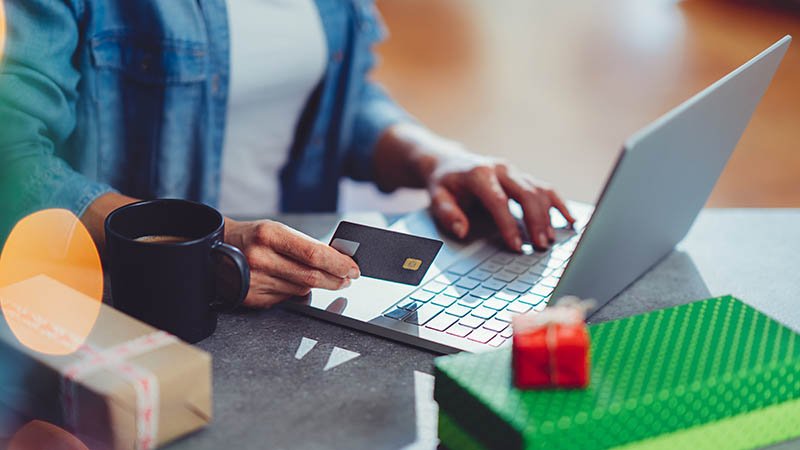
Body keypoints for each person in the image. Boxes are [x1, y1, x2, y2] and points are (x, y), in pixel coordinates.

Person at [0, 0, 574, 309]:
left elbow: (335, 103)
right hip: (127, 311)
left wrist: (436, 158)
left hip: (296, 292)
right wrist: (206, 245)